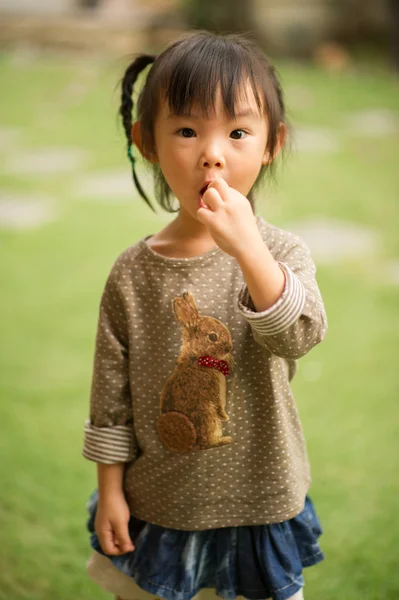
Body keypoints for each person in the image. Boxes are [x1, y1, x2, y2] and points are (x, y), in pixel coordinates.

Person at [82, 30, 328, 600]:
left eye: (238, 132)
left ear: (271, 143)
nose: (212, 153)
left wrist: (248, 251)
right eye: (188, 130)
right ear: (147, 141)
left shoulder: (281, 255)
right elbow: (110, 399)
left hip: (258, 500)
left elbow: (298, 335)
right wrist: (111, 490)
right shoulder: (133, 273)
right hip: (160, 504)